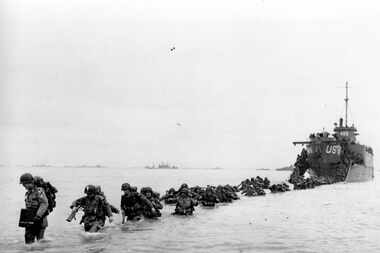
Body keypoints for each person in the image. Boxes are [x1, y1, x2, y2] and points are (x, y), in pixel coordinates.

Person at [19, 173, 49, 244]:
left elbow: (44, 203)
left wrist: (38, 215)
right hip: (30, 221)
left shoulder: (39, 191)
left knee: (40, 241)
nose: (23, 186)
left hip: (40, 220)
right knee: (28, 240)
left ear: (29, 183)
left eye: (24, 184)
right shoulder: (28, 193)